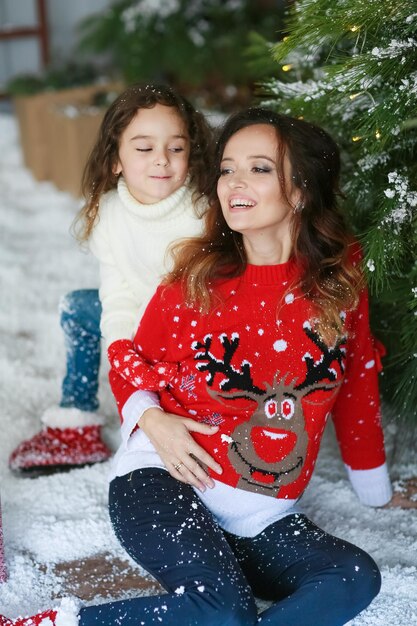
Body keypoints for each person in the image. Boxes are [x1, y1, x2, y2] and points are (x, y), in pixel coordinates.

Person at [1, 108, 393, 625]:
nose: (234, 183)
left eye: (259, 168)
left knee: (354, 577)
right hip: (163, 482)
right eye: (227, 168)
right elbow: (127, 361)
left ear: (299, 191)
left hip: (261, 514)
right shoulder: (198, 280)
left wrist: (371, 479)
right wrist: (151, 420)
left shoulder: (338, 284)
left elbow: (359, 374)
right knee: (221, 610)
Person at [8, 82, 217, 477]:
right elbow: (117, 290)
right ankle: (77, 423)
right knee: (79, 307)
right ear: (116, 157)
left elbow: (211, 303)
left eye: (176, 148)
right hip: (138, 325)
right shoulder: (108, 213)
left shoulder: (203, 215)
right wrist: (121, 346)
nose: (162, 160)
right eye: (144, 148)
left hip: (187, 343)